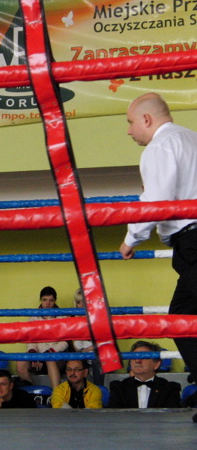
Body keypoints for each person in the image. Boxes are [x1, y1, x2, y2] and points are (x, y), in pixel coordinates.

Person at [118, 92, 197, 417]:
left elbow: (156, 202)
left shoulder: (160, 147)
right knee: (180, 316)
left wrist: (131, 239)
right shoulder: (191, 138)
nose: (128, 130)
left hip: (192, 241)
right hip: (189, 244)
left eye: (130, 122)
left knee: (182, 318)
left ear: (147, 119)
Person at [15, 286, 68, 388]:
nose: (47, 303)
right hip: (37, 356)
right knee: (20, 362)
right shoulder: (33, 317)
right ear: (40, 300)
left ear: (55, 301)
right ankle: (31, 392)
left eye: (51, 300)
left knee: (50, 360)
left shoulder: (62, 316)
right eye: (45, 300)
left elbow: (65, 342)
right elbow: (30, 340)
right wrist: (33, 355)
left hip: (55, 356)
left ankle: (56, 395)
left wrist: (50, 352)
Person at [108, 341, 181, 408]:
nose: (137, 361)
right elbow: (113, 415)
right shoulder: (118, 388)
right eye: (134, 357)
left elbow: (171, 416)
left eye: (143, 357)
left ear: (156, 364)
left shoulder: (170, 389)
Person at [71, 288, 104, 385]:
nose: (81, 305)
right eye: (78, 302)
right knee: (76, 361)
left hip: (95, 354)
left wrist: (86, 350)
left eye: (84, 302)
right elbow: (75, 346)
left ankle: (98, 389)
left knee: (97, 359)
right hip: (82, 354)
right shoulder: (73, 319)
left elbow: (102, 343)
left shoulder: (98, 318)